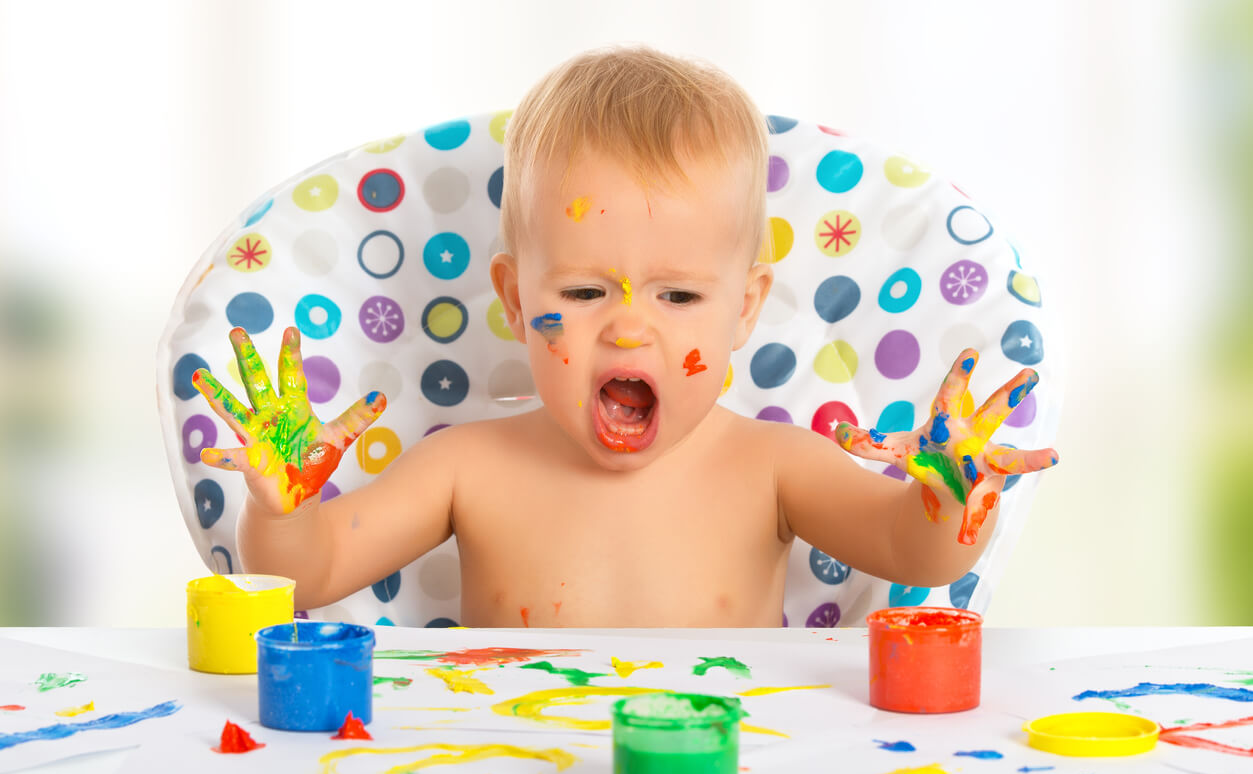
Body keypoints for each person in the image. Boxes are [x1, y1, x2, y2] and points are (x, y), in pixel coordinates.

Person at [192, 45, 1058, 627]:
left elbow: (915, 549)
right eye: (581, 290)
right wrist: (285, 505)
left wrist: (950, 497)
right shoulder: (469, 467)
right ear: (512, 295)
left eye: (679, 293)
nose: (631, 326)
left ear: (746, 309)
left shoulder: (772, 466)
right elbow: (303, 579)